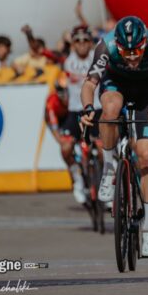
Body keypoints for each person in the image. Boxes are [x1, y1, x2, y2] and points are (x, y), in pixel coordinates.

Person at [80, 16, 148, 258]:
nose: (132, 57)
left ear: (145, 43)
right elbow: (90, 84)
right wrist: (88, 108)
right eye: (126, 52)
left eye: (137, 51)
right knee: (109, 110)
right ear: (117, 46)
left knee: (146, 157)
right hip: (116, 84)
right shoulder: (106, 45)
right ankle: (110, 169)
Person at [60, 25, 100, 204]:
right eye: (78, 40)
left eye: (85, 40)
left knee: (101, 149)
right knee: (66, 148)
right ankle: (77, 177)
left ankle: (109, 182)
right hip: (75, 111)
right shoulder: (66, 60)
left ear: (91, 42)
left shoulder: (98, 57)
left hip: (97, 110)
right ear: (72, 43)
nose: (82, 43)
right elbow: (41, 50)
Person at [43, 83, 86, 203]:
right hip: (59, 122)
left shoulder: (77, 94)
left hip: (74, 115)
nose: (64, 94)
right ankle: (76, 177)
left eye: (66, 90)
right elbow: (54, 126)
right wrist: (61, 142)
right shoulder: (52, 102)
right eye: (61, 91)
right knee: (66, 148)